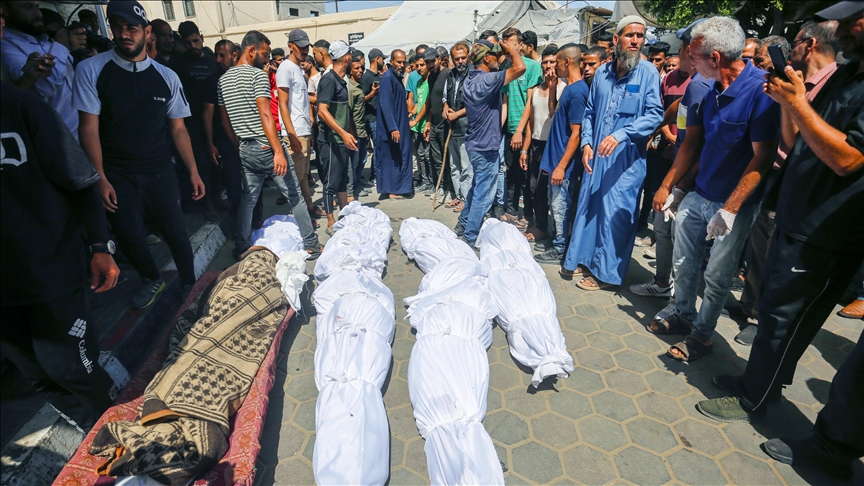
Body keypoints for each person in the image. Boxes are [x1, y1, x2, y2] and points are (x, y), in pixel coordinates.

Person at [696, 1, 863, 434]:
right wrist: (791, 103)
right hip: (794, 213)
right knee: (773, 310)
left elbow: (847, 159)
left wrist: (800, 107)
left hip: (826, 230)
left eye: (851, 20)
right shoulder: (847, 75)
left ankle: (755, 398)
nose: (839, 29)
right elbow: (798, 140)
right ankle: (757, 382)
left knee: (785, 319)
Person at [646, 17, 779, 363]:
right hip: (699, 193)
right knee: (684, 262)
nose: (690, 63)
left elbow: (762, 159)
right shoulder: (711, 88)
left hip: (732, 205)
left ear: (715, 57)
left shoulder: (761, 92)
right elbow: (695, 144)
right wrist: (674, 189)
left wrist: (731, 209)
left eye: (694, 56)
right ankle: (683, 315)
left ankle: (702, 336)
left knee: (717, 276)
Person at [1, 78, 119, 433]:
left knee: (72, 368)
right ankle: (98, 437)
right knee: (37, 375)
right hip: (4, 293)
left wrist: (100, 246)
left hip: (50, 271)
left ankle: (126, 434)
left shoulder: (23, 107)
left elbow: (80, 180)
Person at [73, 0, 203, 309]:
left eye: (131, 28)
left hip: (159, 169)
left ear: (148, 33)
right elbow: (88, 129)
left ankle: (189, 284)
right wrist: (100, 177)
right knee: (129, 234)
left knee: (175, 230)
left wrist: (194, 171)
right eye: (117, 27)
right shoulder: (92, 69)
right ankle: (151, 279)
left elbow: (179, 130)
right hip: (117, 172)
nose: (123, 34)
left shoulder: (166, 76)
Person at [735, 19, 839, 344]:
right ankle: (749, 306)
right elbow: (789, 137)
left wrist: (795, 102)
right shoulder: (798, 81)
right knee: (760, 243)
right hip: (777, 176)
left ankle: (759, 319)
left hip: (806, 187)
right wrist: (786, 98)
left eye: (793, 43)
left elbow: (806, 147)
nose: (787, 50)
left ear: (809, 45)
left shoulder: (833, 86)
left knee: (776, 259)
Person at [562, 16, 663, 290]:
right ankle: (582, 259)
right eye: (630, 35)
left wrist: (620, 135)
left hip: (626, 162)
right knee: (590, 209)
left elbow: (655, 115)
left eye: (640, 36)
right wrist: (586, 143)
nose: (635, 41)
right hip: (596, 159)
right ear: (616, 40)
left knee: (615, 215)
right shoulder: (603, 73)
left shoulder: (648, 73)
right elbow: (590, 113)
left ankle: (606, 274)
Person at [217, 30, 320, 260]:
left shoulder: (223, 81)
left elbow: (225, 121)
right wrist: (277, 151)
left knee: (248, 199)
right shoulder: (257, 76)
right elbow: (266, 115)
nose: (266, 59)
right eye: (264, 54)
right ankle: (311, 244)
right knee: (295, 195)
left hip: (245, 148)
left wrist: (240, 145)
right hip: (267, 147)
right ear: (250, 50)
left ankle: (241, 246)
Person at [629, 19, 709, 300]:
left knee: (680, 237)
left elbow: (698, 144)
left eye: (687, 46)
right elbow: (676, 110)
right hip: (681, 170)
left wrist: (675, 185)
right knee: (664, 230)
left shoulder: (706, 85)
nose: (683, 51)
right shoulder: (697, 84)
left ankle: (678, 301)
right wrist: (651, 128)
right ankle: (664, 285)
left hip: (691, 178)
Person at [454, 37, 526, 246]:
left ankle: (463, 223)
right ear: (486, 58)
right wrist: (513, 50)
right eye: (495, 56)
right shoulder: (487, 80)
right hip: (486, 146)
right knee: (485, 195)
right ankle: (469, 236)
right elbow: (520, 68)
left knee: (477, 188)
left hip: (475, 144)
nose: (499, 59)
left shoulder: (469, 80)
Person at [533, 44, 588, 266]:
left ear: (566, 62)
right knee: (555, 203)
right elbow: (555, 112)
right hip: (555, 160)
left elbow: (577, 133)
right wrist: (554, 87)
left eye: (556, 62)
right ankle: (558, 243)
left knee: (560, 206)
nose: (553, 67)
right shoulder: (569, 89)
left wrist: (561, 166)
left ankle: (560, 248)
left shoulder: (577, 92)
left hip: (562, 165)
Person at [1, 0, 79, 138]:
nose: (38, 13)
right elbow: (46, 87)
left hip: (82, 132)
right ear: (5, 11)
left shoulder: (45, 41)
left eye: (37, 7)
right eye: (28, 7)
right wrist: (61, 47)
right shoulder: (6, 46)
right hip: (58, 139)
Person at [169, 21, 222, 221]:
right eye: (188, 42)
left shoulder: (211, 61)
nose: (193, 46)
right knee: (201, 164)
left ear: (201, 37)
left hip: (215, 122)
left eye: (195, 40)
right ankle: (208, 204)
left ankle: (217, 198)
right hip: (190, 124)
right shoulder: (176, 64)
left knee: (216, 162)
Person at [204, 39, 256, 227]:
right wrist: (210, 143)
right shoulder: (213, 80)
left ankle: (256, 220)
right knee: (234, 184)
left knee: (254, 183)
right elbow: (208, 115)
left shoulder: (248, 76)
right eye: (216, 55)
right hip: (226, 142)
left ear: (234, 55)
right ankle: (239, 224)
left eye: (222, 55)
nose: (218, 59)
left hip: (249, 138)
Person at [500, 27, 545, 230]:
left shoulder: (532, 67)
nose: (508, 47)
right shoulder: (506, 68)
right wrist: (501, 128)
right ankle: (511, 210)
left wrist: (520, 130)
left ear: (520, 44)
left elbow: (530, 102)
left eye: (511, 43)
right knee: (511, 174)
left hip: (527, 131)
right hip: (511, 130)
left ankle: (528, 214)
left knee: (527, 177)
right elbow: (505, 101)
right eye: (505, 43)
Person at [277, 29, 322, 218]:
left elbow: (302, 104)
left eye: (306, 47)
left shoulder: (299, 69)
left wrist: (307, 131)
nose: (304, 51)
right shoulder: (285, 68)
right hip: (293, 132)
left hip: (302, 130)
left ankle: (307, 208)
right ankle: (301, 215)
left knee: (303, 175)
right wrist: (291, 133)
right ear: (290, 46)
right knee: (295, 178)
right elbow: (283, 104)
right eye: (301, 47)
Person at [316, 40, 358, 232]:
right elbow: (322, 110)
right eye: (351, 55)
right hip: (330, 140)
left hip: (341, 139)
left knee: (342, 180)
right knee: (330, 183)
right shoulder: (328, 79)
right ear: (346, 57)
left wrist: (347, 132)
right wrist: (341, 132)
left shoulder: (341, 80)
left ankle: (343, 215)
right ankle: (331, 222)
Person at [375, 49, 412, 198]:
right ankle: (392, 190)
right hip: (392, 127)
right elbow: (385, 103)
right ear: (391, 62)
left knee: (398, 156)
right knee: (391, 159)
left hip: (400, 124)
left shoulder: (396, 78)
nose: (401, 65)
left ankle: (399, 187)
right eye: (398, 62)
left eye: (403, 62)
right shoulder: (388, 78)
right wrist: (392, 127)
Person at [443, 42, 472, 211]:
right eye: (457, 59)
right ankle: (458, 196)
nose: (460, 61)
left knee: (466, 167)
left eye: (463, 58)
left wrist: (457, 114)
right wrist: (446, 108)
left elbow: (475, 104)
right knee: (454, 166)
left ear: (467, 57)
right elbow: (445, 98)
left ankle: (466, 199)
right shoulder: (451, 75)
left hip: (466, 128)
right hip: (452, 128)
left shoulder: (473, 75)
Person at [424, 47, 451, 200]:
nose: (430, 65)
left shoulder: (448, 74)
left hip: (445, 125)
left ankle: (448, 189)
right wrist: (428, 123)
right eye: (427, 62)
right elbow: (431, 103)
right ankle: (439, 187)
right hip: (434, 124)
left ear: (439, 59)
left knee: (446, 159)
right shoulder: (430, 77)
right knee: (435, 158)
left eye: (432, 61)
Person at [361, 48, 385, 187]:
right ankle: (374, 176)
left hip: (378, 118)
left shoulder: (379, 76)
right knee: (377, 149)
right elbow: (361, 99)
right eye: (382, 59)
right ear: (377, 59)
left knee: (379, 148)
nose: (384, 61)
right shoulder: (367, 78)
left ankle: (375, 175)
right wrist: (372, 94)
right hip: (371, 119)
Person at [409, 51, 432, 192]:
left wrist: (416, 120)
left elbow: (427, 105)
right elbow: (418, 103)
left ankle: (432, 182)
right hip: (417, 126)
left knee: (429, 157)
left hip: (426, 125)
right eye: (417, 65)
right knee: (421, 156)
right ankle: (425, 181)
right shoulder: (418, 82)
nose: (419, 68)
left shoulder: (431, 81)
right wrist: (411, 113)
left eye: (422, 65)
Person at [347, 54, 368, 200]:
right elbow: (348, 113)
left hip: (361, 130)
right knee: (354, 163)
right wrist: (352, 133)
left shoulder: (357, 86)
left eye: (361, 68)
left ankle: (356, 185)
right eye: (357, 68)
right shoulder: (350, 88)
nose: (360, 71)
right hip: (354, 132)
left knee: (362, 160)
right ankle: (352, 190)